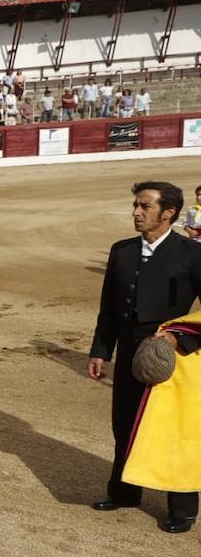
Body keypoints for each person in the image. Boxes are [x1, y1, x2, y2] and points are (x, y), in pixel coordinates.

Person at [88, 181, 201, 532]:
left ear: (168, 213)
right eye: (136, 205)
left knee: (170, 430)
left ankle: (182, 508)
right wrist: (100, 350)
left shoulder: (192, 253)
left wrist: (177, 336)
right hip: (128, 351)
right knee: (124, 423)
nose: (136, 212)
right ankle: (124, 492)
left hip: (172, 356)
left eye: (145, 206)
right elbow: (109, 309)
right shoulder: (121, 251)